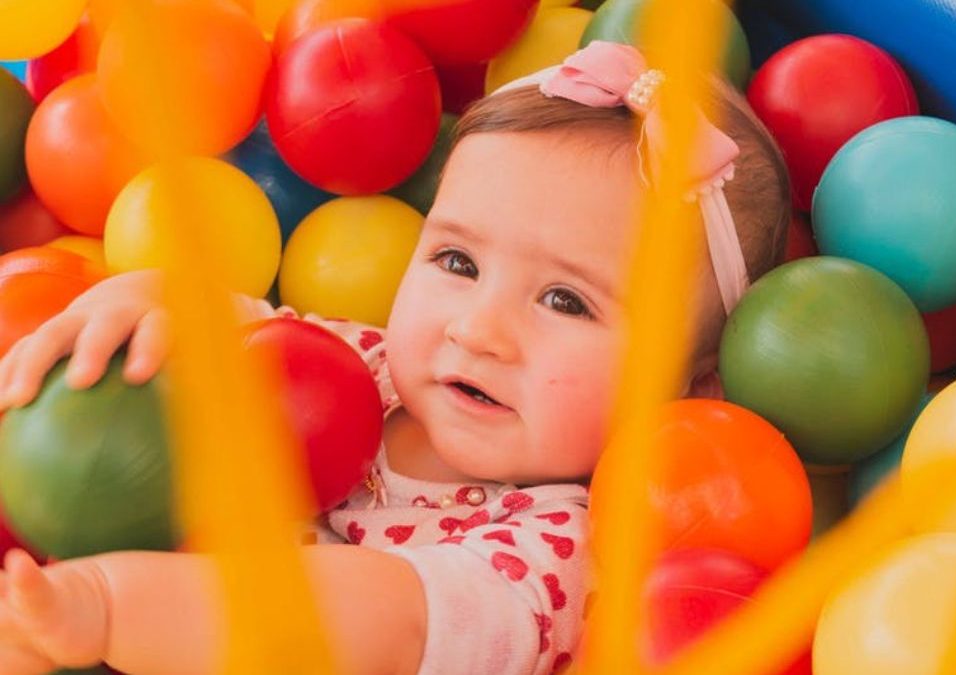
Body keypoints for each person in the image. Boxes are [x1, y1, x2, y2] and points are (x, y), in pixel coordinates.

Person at [0, 42, 789, 675]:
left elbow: (376, 622)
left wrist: (106, 605)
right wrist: (134, 302)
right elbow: (226, 327)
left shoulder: (555, 549)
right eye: (456, 261)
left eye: (565, 301)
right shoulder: (365, 362)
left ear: (691, 390)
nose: (478, 329)